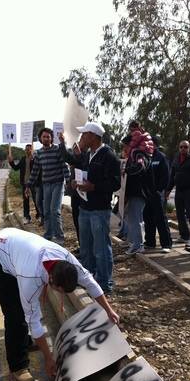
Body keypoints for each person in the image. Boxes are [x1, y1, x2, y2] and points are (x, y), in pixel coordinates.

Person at [0, 227, 119, 381]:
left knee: (23, 307)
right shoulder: (30, 275)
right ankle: (18, 366)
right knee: (16, 313)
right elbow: (33, 319)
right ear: (51, 280)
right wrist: (48, 359)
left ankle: (24, 341)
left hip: (12, 242)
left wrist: (109, 310)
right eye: (60, 291)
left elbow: (89, 281)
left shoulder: (66, 259)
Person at [58, 123, 121, 293]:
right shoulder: (88, 155)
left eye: (84, 135)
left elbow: (115, 183)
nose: (81, 138)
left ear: (93, 136)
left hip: (99, 210)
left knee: (101, 248)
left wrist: (94, 187)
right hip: (85, 208)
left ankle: (104, 283)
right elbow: (76, 165)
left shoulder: (109, 156)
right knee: (86, 247)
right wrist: (76, 182)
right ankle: (88, 278)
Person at [25, 128, 70, 244]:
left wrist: (68, 180)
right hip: (46, 184)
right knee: (46, 211)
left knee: (55, 211)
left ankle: (59, 237)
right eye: (44, 137)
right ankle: (48, 235)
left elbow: (64, 166)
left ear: (51, 138)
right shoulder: (38, 153)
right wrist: (28, 185)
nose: (46, 138)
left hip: (58, 183)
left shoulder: (57, 150)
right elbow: (35, 171)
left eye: (48, 137)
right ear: (40, 138)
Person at [121, 134, 154, 255]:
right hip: (134, 192)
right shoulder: (133, 155)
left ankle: (138, 245)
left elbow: (140, 166)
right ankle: (134, 242)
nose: (124, 149)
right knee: (132, 218)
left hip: (139, 192)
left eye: (125, 146)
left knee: (136, 219)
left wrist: (126, 170)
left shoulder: (137, 154)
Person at [167, 140, 190, 245]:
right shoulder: (176, 159)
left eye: (185, 147)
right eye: (181, 147)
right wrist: (168, 190)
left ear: (189, 148)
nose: (183, 149)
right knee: (180, 214)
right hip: (179, 191)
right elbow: (172, 176)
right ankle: (184, 235)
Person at [143, 135, 172, 252]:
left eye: (149, 143)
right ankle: (150, 242)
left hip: (157, 194)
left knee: (160, 218)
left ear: (154, 145)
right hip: (147, 194)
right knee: (148, 218)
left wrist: (159, 190)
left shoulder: (161, 157)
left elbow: (166, 176)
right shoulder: (145, 157)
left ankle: (166, 244)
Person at [8, 144, 37, 224]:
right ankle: (27, 217)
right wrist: (11, 161)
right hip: (25, 183)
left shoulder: (35, 159)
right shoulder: (23, 159)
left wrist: (33, 160)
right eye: (26, 149)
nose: (28, 151)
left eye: (29, 149)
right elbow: (16, 168)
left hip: (34, 183)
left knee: (36, 200)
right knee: (26, 201)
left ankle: (39, 216)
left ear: (32, 150)